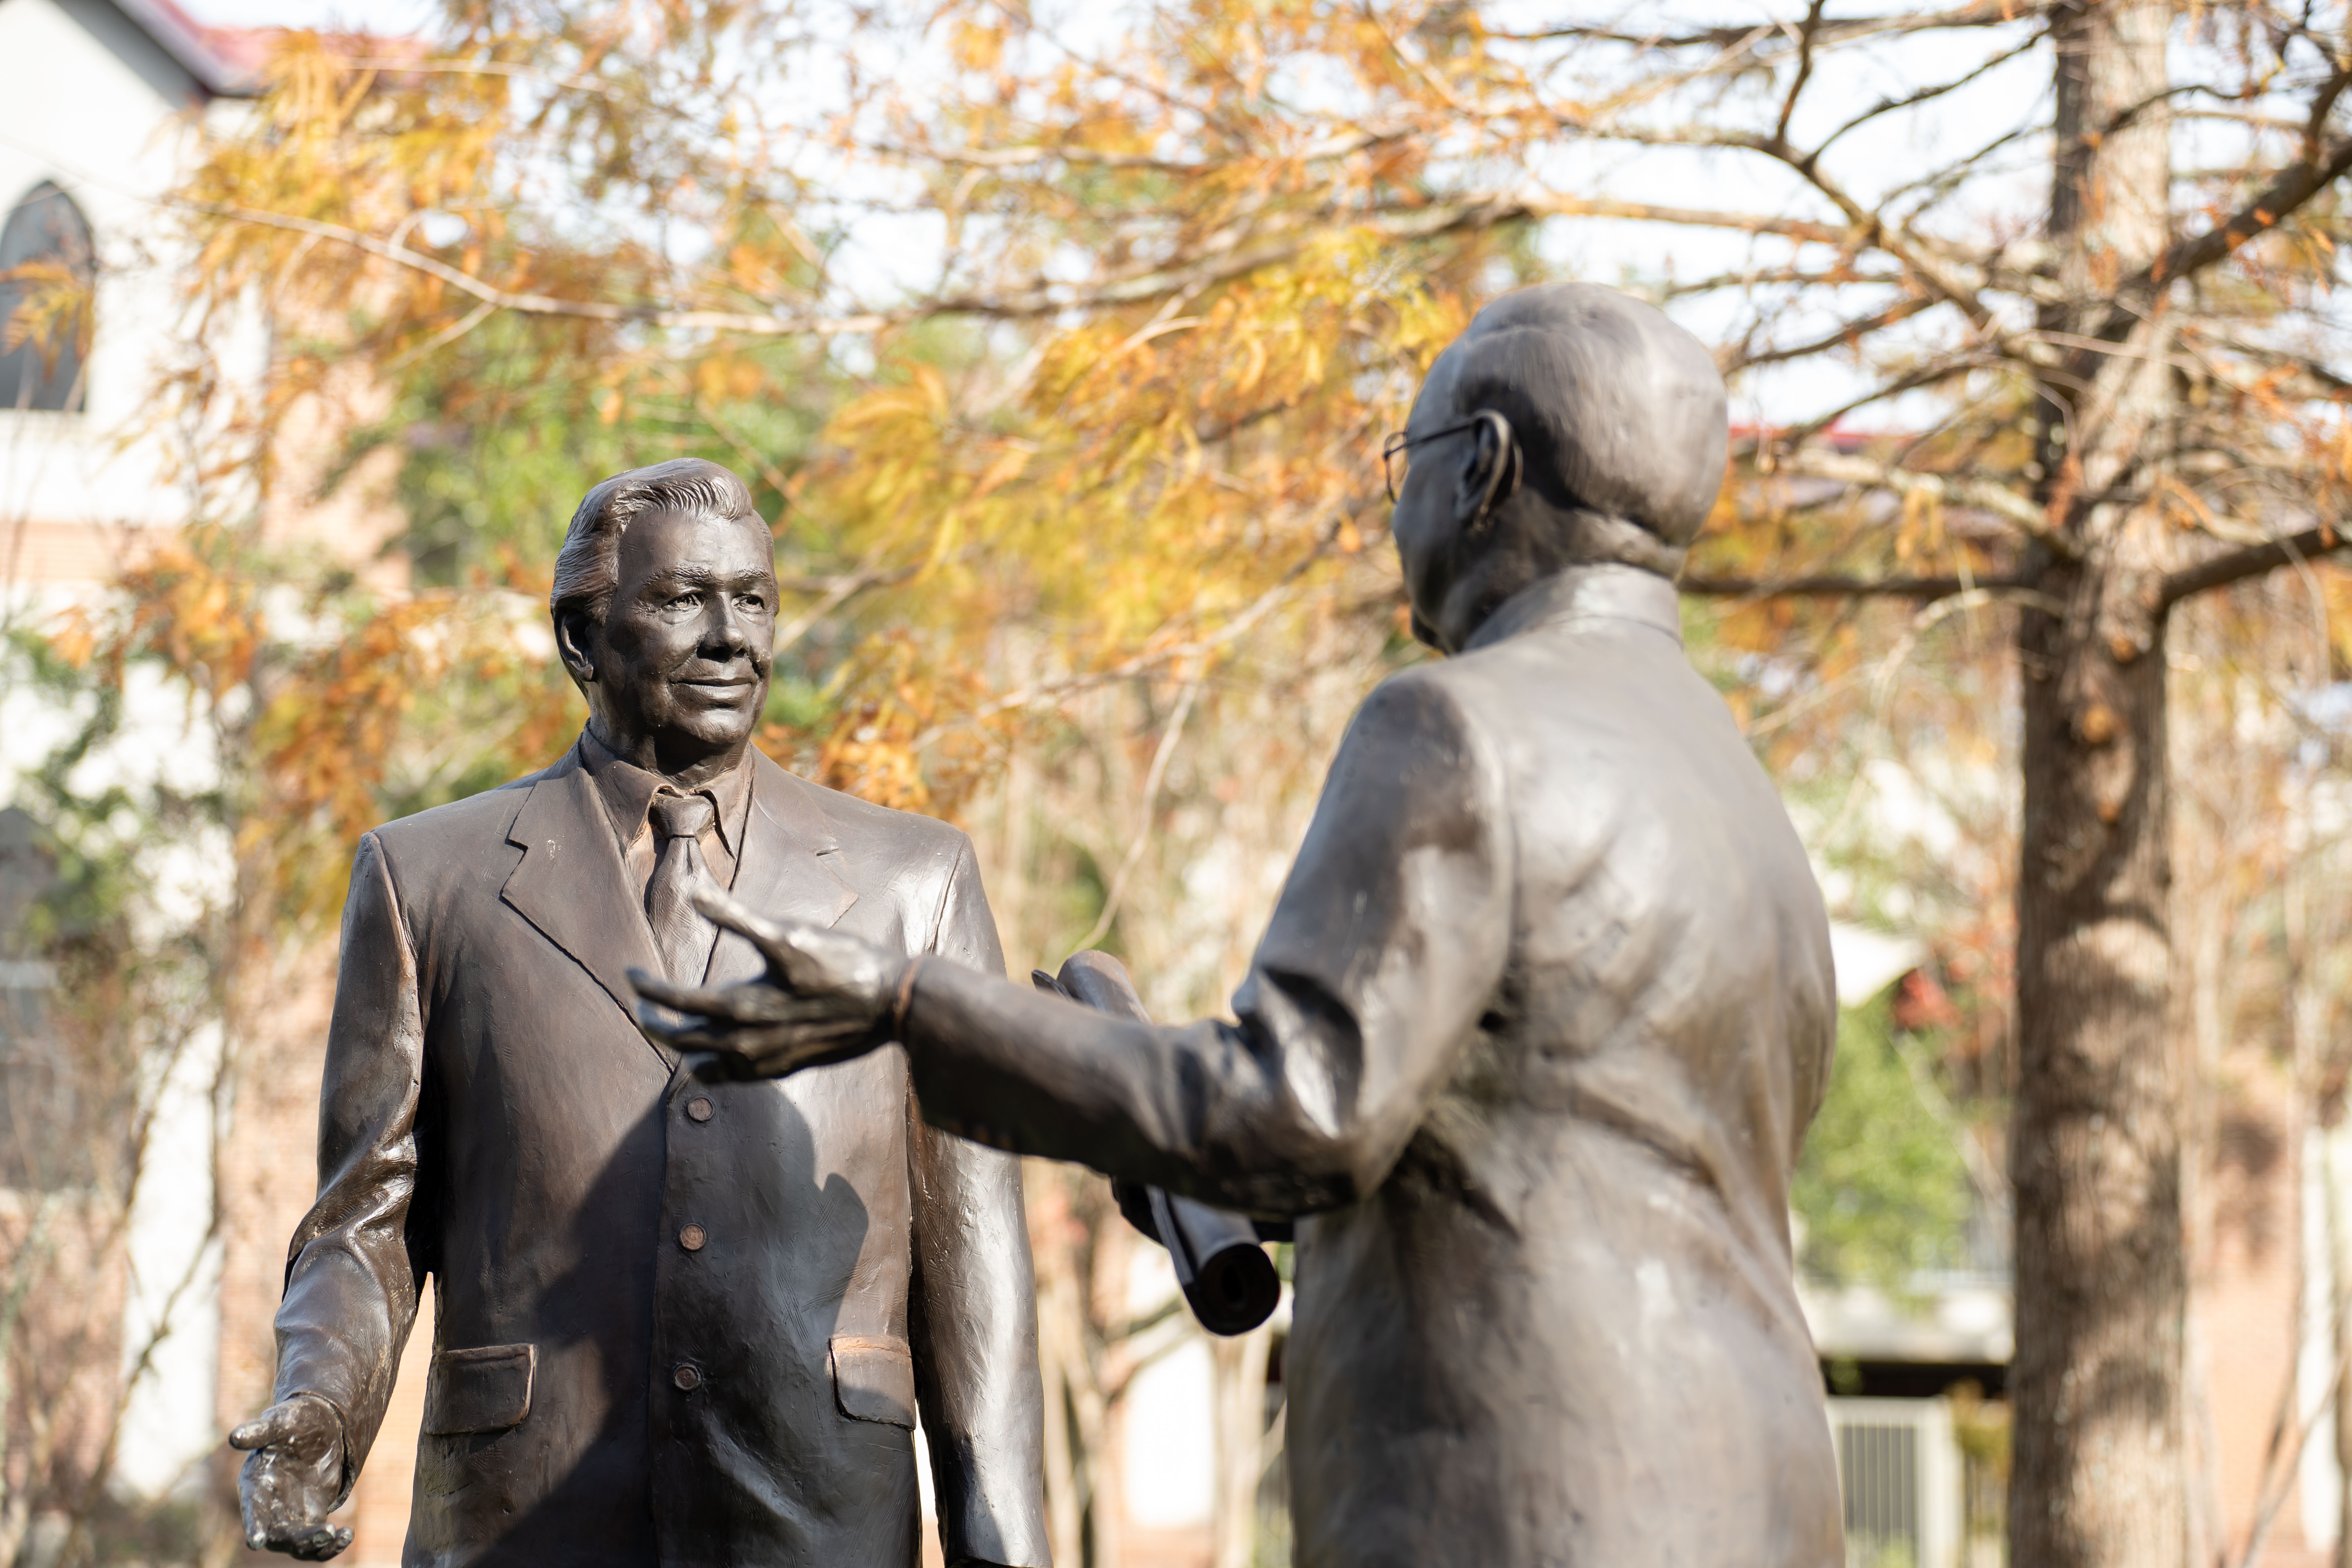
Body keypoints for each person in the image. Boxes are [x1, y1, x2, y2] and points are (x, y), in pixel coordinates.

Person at [640, 284, 1844, 1567]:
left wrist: (904, 1002)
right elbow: (1532, 1155)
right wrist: (1149, 1121)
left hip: (1532, 1488)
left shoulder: (1455, 727)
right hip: (1757, 1489)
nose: (1396, 514)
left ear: (1485, 468)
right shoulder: (1738, 790)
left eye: (1408, 465)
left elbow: (1299, 1110)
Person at [230, 459, 1049, 1568]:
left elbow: (975, 1255)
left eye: (753, 600)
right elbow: (367, 1219)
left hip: (822, 1515)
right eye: (682, 599)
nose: (730, 638)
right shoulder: (427, 879)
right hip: (523, 1520)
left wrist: (1006, 1546)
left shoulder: (916, 883)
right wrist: (319, 1411)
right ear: (582, 637)